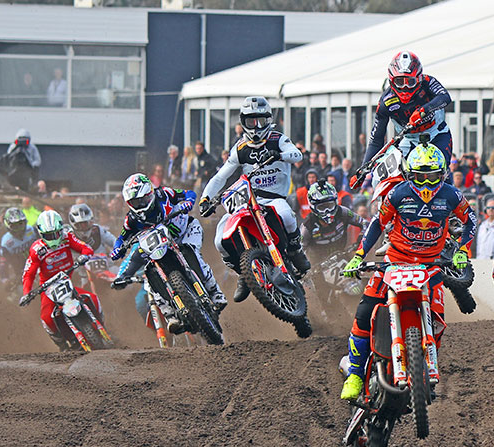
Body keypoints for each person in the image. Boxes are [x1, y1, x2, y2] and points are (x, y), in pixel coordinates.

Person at [338, 142, 476, 402]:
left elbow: (470, 219)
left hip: (430, 264)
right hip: (395, 261)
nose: (426, 182)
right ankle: (355, 373)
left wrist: (463, 250)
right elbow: (377, 224)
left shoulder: (451, 195)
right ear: (410, 174)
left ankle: (426, 373)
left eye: (432, 175)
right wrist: (358, 255)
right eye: (421, 176)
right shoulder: (398, 194)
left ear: (442, 173)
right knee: (364, 312)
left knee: (436, 321)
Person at [199, 96, 311, 302]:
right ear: (243, 122)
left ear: (268, 120)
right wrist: (205, 198)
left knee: (287, 214)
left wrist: (279, 155)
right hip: (248, 199)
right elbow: (220, 176)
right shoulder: (240, 148)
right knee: (219, 239)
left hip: (274, 197)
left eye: (261, 120)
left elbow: (297, 155)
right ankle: (244, 273)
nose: (257, 126)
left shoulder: (278, 139)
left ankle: (295, 251)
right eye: (252, 121)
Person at [110, 173, 227, 326]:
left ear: (149, 193)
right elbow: (122, 237)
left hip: (186, 232)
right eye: (135, 202)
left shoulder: (163, 193)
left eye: (142, 199)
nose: (140, 204)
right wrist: (117, 248)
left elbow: (189, 194)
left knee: (192, 253)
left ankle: (215, 292)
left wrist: (189, 202)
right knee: (150, 275)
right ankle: (170, 315)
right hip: (160, 246)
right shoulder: (131, 219)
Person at [20, 210, 102, 351]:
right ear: (41, 234)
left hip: (67, 280)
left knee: (93, 298)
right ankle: (63, 344)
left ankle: (101, 327)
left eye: (56, 234)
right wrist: (26, 292)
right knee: (47, 317)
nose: (53, 238)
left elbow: (85, 247)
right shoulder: (37, 249)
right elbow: (28, 274)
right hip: (48, 287)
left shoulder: (67, 236)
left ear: (60, 230)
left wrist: (84, 256)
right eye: (48, 236)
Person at [359, 51, 452, 172]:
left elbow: (445, 97)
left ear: (418, 79)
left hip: (436, 134)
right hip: (408, 140)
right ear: (392, 81)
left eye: (410, 82)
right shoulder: (385, 102)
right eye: (400, 82)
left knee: (438, 170)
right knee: (382, 176)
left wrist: (424, 110)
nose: (405, 88)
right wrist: (363, 169)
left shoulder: (428, 81)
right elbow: (376, 139)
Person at [302, 180, 367, 306]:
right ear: (313, 206)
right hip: (319, 266)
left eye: (330, 205)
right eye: (322, 207)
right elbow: (300, 249)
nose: (327, 211)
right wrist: (305, 268)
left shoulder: (343, 212)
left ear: (335, 202)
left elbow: (364, 223)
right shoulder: (307, 226)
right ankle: (328, 320)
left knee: (362, 278)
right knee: (323, 297)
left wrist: (361, 236)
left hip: (343, 254)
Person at [0, 206, 38, 287]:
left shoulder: (32, 230)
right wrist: (5, 279)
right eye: (15, 226)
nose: (19, 229)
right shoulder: (6, 242)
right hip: (21, 272)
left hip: (39, 264)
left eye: (21, 224)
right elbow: (4, 263)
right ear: (8, 225)